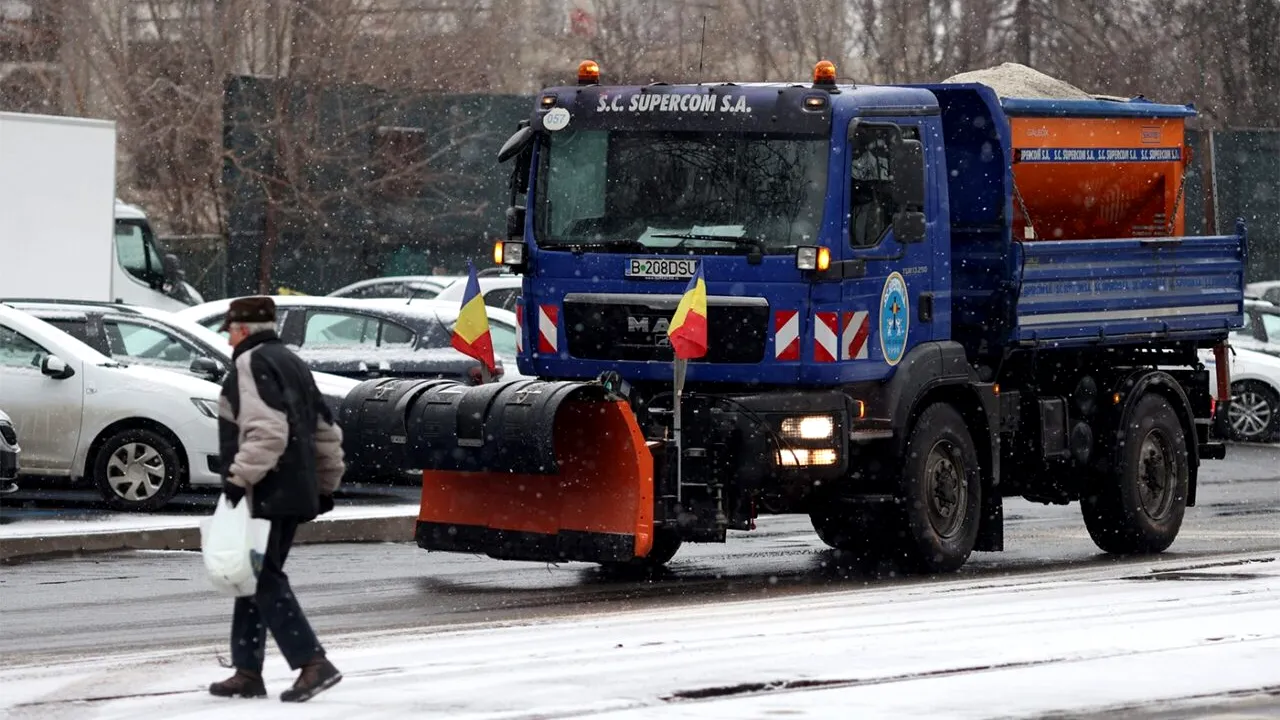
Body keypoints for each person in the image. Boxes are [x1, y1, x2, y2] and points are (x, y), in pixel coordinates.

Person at [207, 296, 346, 703]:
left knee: (262, 577)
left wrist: (237, 479)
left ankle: (312, 663)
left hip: (267, 488)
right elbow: (326, 430)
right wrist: (325, 485)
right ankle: (247, 671)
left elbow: (267, 432)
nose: (230, 338)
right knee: (252, 577)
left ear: (244, 329)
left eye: (232, 330)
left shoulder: (251, 363)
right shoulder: (291, 361)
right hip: (294, 487)